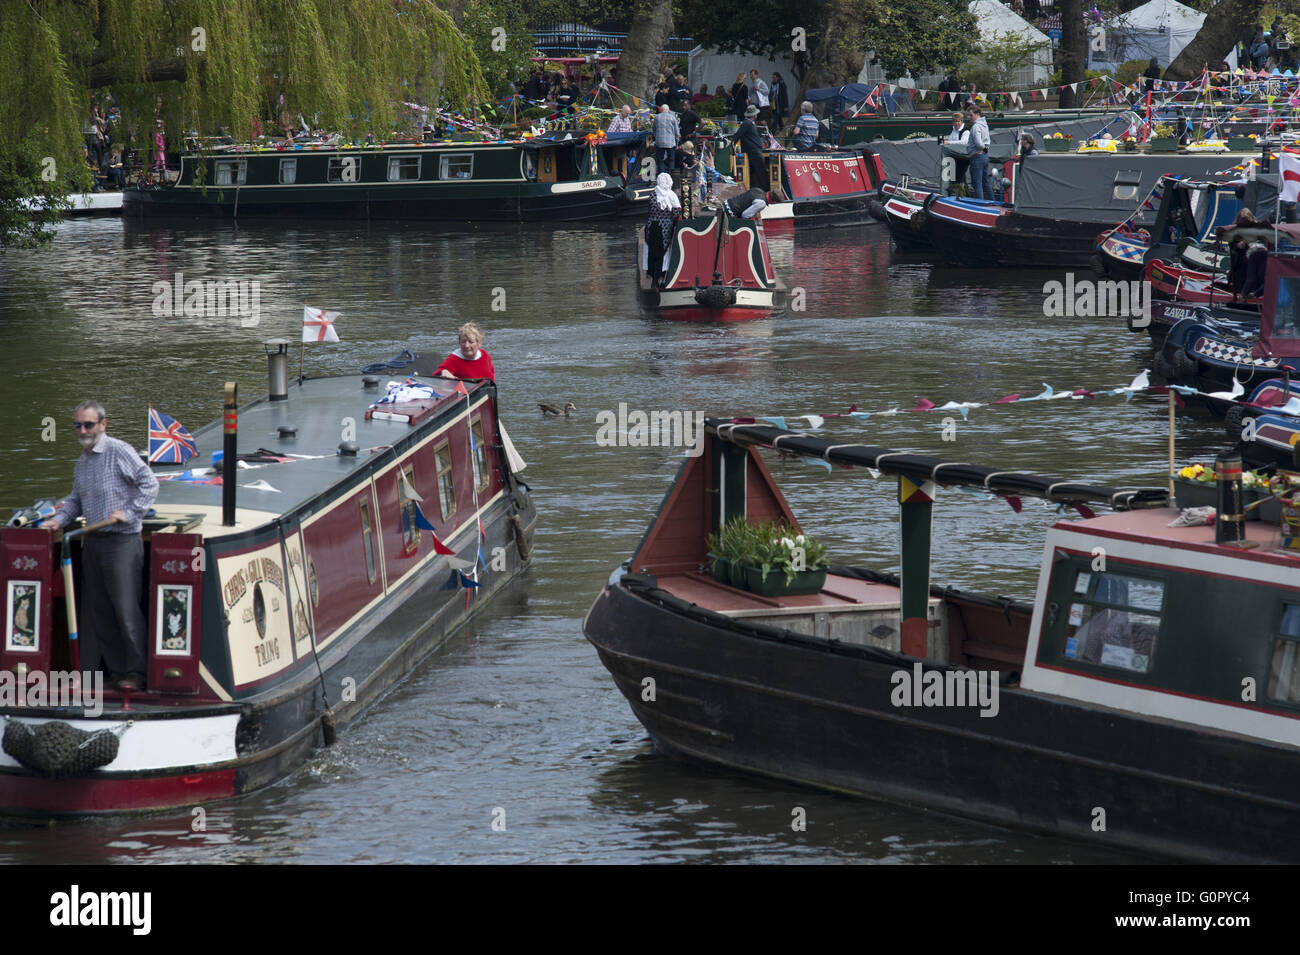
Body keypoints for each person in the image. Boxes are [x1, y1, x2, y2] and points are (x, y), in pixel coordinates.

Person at [41, 400, 159, 690]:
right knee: (100, 611)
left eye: (89, 424)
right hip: (93, 542)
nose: (83, 430)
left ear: (103, 425)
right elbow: (75, 501)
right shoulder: (82, 462)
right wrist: (58, 520)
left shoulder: (119, 451)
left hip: (122, 541)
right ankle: (117, 671)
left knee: (126, 609)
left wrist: (130, 513)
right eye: (78, 425)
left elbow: (150, 483)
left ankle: (137, 673)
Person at [645, 172, 681, 287]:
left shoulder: (652, 194)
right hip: (665, 227)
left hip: (652, 226)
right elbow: (676, 213)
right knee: (664, 253)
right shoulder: (672, 196)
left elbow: (650, 210)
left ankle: (652, 277)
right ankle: (661, 278)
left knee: (652, 251)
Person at [736, 105, 769, 190]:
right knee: (761, 172)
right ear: (754, 115)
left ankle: (756, 188)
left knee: (755, 172)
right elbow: (738, 135)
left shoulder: (749, 123)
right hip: (754, 151)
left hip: (755, 150)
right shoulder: (747, 123)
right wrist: (732, 143)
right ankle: (765, 189)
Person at [966, 105, 991, 200]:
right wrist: (985, 150)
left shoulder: (976, 127)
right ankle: (992, 201)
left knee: (977, 183)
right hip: (985, 157)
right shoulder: (985, 124)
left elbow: (978, 143)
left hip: (977, 157)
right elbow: (987, 141)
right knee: (985, 182)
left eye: (971, 115)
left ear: (977, 114)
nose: (969, 117)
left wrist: (982, 149)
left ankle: (980, 205)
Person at [945, 112, 969, 194]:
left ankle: (964, 194)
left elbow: (963, 142)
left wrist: (949, 143)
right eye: (955, 121)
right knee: (955, 178)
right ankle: (957, 194)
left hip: (963, 158)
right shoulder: (953, 130)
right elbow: (950, 140)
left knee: (959, 178)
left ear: (962, 121)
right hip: (955, 158)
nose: (957, 123)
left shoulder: (966, 131)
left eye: (959, 121)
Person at [653, 103, 680, 173]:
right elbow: (677, 132)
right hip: (671, 142)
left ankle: (661, 175)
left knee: (660, 160)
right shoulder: (672, 118)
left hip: (659, 142)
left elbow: (654, 129)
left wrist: (656, 138)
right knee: (671, 160)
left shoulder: (656, 117)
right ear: (668, 110)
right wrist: (677, 142)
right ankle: (670, 175)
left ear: (661, 110)